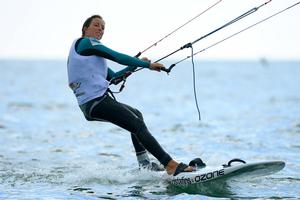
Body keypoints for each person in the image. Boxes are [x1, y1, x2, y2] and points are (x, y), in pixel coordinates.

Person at [67, 15, 196, 176]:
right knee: (136, 125)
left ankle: (145, 164)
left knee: (136, 115)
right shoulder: (86, 43)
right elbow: (117, 57)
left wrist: (134, 65)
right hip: (96, 102)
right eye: (96, 25)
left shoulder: (89, 57)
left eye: (103, 28)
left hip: (91, 105)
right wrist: (146, 64)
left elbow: (114, 78)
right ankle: (170, 165)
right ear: (85, 29)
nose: (100, 29)